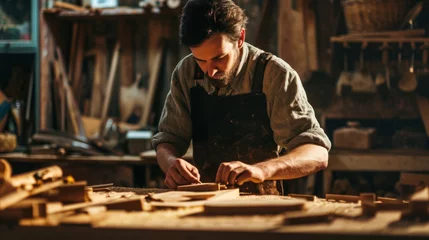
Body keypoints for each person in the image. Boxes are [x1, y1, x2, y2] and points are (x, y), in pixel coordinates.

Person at [152, 0, 331, 195]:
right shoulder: (186, 73)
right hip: (207, 203)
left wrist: (262, 170)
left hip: (264, 206)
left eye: (219, 58)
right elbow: (168, 140)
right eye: (200, 60)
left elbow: (317, 153)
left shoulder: (274, 75)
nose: (210, 71)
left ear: (240, 38)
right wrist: (170, 163)